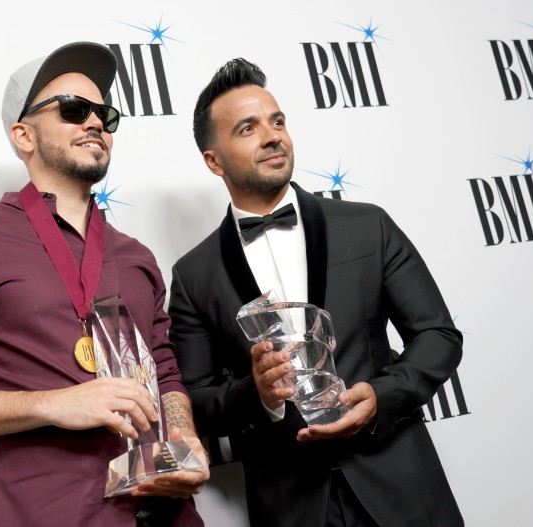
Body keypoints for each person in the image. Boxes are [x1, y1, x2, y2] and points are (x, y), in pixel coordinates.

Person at [0, 42, 207, 527]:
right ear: (23, 136)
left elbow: (165, 370)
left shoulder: (136, 256)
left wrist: (185, 439)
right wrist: (55, 404)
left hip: (169, 514)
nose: (95, 122)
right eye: (74, 110)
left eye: (104, 113)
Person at [168, 58, 464, 526]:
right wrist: (257, 394)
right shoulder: (192, 275)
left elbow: (438, 336)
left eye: (278, 121)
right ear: (213, 160)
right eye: (248, 128)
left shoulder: (368, 226)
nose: (272, 136)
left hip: (400, 487)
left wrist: (379, 396)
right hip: (290, 503)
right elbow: (194, 398)